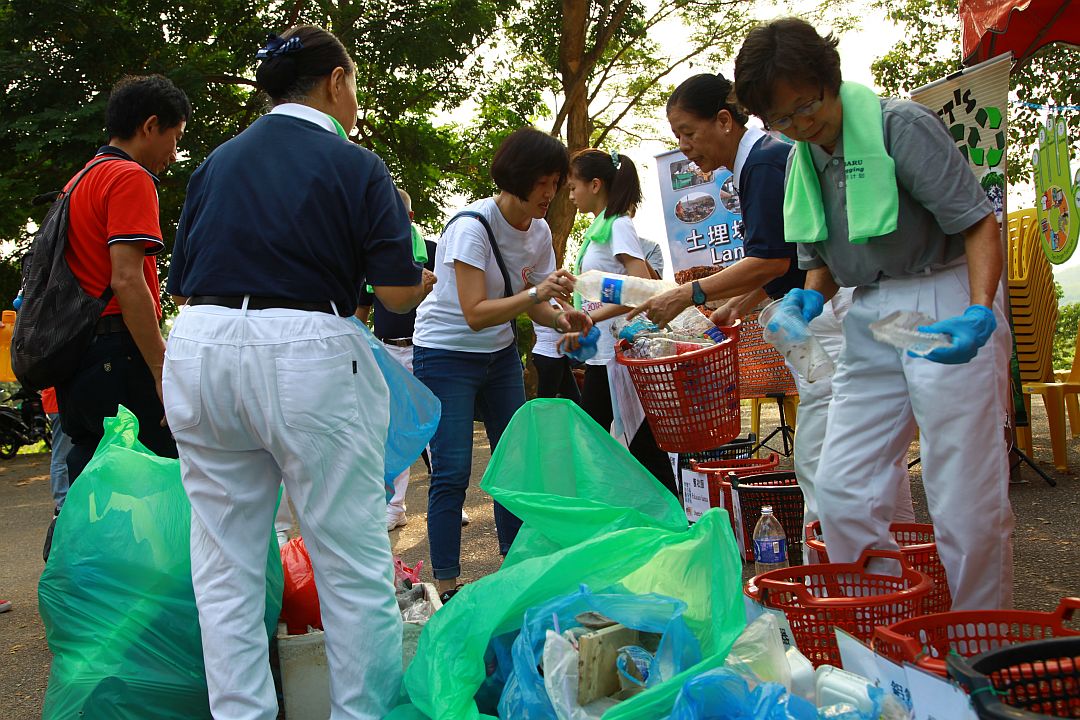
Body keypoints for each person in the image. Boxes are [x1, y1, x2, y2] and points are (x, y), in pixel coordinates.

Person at [164, 26, 434, 719]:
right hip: (308, 348)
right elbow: (397, 293)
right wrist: (420, 280)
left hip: (201, 344)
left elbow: (184, 279)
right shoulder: (356, 165)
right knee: (351, 565)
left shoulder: (216, 163)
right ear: (336, 82)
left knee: (224, 565)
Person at [732, 18, 1013, 609]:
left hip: (940, 298)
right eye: (779, 120)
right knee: (840, 487)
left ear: (830, 80)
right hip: (872, 311)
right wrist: (808, 297)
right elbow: (824, 258)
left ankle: (978, 633)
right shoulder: (800, 158)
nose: (797, 126)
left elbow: (976, 222)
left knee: (961, 488)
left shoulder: (898, 127)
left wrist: (979, 309)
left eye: (804, 107)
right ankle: (884, 618)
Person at [630, 73, 915, 539]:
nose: (684, 146)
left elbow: (772, 260)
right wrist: (736, 306)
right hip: (817, 308)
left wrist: (690, 293)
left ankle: (843, 563)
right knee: (870, 453)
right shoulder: (761, 160)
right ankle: (891, 549)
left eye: (688, 131)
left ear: (724, 121)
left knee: (830, 454)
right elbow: (786, 261)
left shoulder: (762, 162)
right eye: (676, 136)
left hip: (823, 315)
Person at [412, 127, 591, 602]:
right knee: (451, 471)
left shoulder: (538, 234)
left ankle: (517, 572)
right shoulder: (470, 227)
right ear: (517, 177)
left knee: (516, 463)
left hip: (498, 356)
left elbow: (532, 306)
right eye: (544, 182)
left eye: (557, 183)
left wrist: (564, 318)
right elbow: (474, 313)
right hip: (446, 354)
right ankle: (448, 585)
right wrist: (538, 293)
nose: (550, 194)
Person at [55, 75, 187, 484]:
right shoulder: (129, 177)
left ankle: (73, 548)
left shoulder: (76, 182)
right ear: (150, 126)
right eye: (176, 137)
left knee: (95, 483)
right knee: (160, 479)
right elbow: (127, 281)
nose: (175, 153)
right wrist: (160, 367)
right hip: (118, 355)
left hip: (76, 357)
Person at [561, 148, 678, 495]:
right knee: (617, 442)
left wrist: (590, 316)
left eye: (573, 187)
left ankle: (672, 524)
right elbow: (610, 287)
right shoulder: (602, 227)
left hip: (621, 356)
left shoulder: (619, 226)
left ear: (595, 185)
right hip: (605, 355)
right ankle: (660, 520)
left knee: (625, 443)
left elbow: (640, 288)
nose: (570, 195)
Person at [355, 187, 439, 531]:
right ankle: (395, 507)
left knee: (434, 428)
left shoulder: (432, 251)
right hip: (387, 349)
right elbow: (361, 311)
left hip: (427, 347)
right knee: (393, 429)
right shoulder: (373, 255)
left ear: (409, 217)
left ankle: (444, 502)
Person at [530, 304, 582, 403]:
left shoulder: (555, 299)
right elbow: (567, 319)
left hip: (558, 356)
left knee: (574, 399)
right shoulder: (542, 301)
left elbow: (574, 315)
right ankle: (541, 418)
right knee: (546, 402)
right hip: (548, 355)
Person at [41, 388, 72, 514]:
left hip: (57, 404)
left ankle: (63, 501)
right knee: (61, 456)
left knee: (64, 455)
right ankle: (62, 504)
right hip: (60, 403)